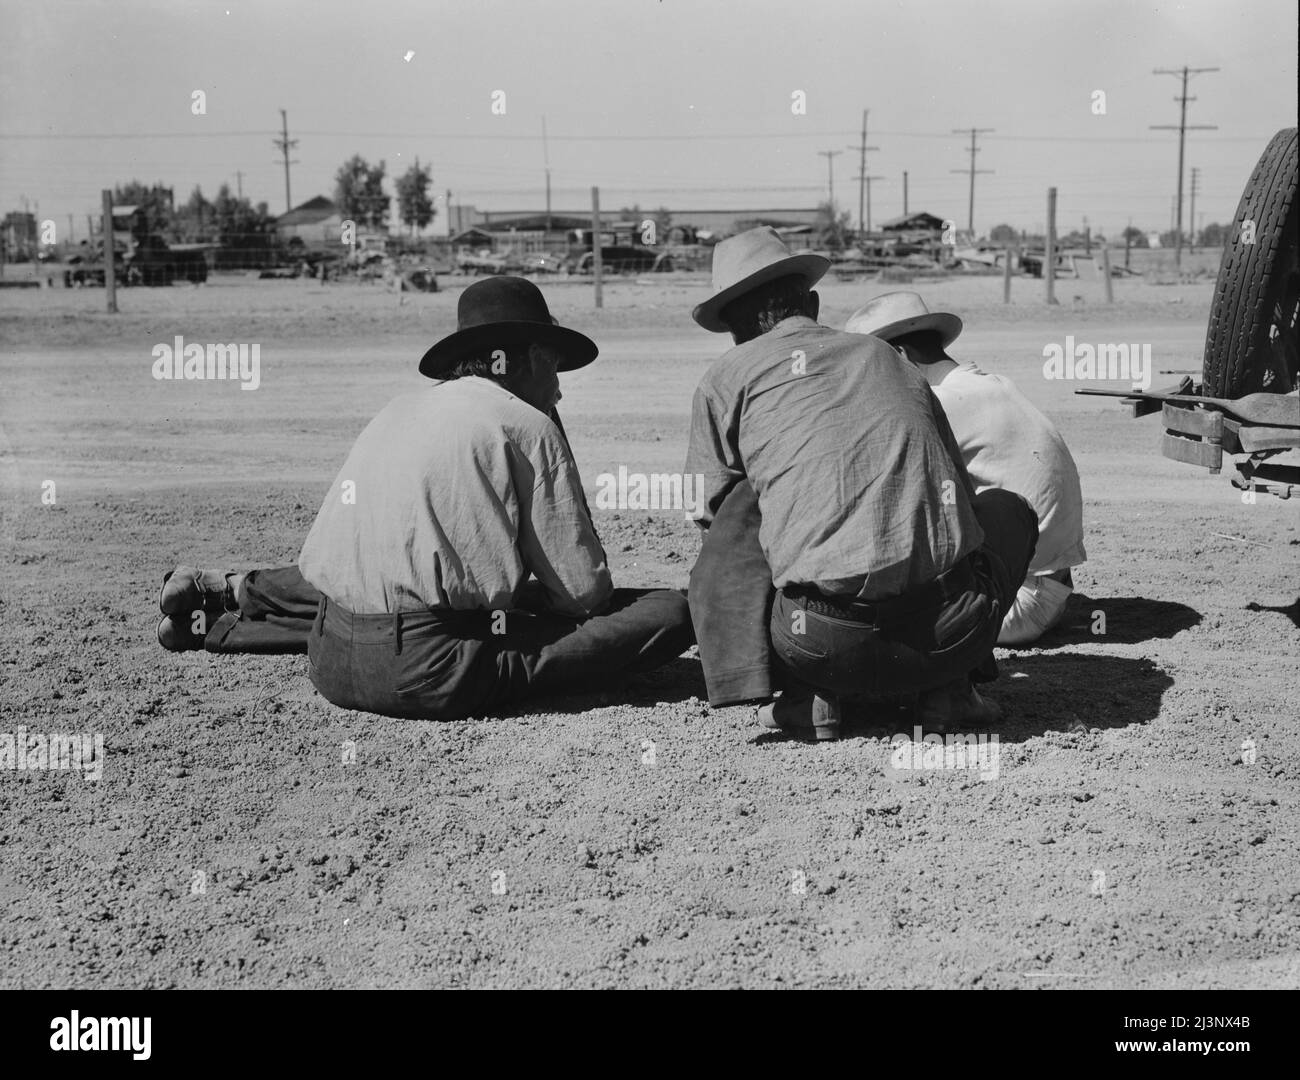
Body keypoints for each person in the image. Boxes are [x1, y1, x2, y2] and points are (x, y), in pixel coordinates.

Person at [156, 276, 694, 721]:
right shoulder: (527, 426)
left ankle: (216, 619)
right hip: (427, 673)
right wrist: (549, 430)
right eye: (553, 366)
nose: (560, 388)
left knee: (410, 587)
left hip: (328, 652)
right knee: (670, 611)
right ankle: (219, 621)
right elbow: (583, 596)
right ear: (521, 359)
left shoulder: (399, 407)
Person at [685, 228, 1039, 740]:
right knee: (1007, 510)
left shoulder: (725, 379)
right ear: (812, 302)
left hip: (815, 643)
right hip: (947, 634)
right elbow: (959, 501)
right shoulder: (888, 360)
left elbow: (710, 517)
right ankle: (951, 691)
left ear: (731, 329)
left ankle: (808, 697)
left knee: (743, 504)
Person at [845, 292, 1086, 644]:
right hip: (1048, 589)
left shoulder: (941, 404)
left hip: (1018, 604)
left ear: (900, 356)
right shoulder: (988, 386)